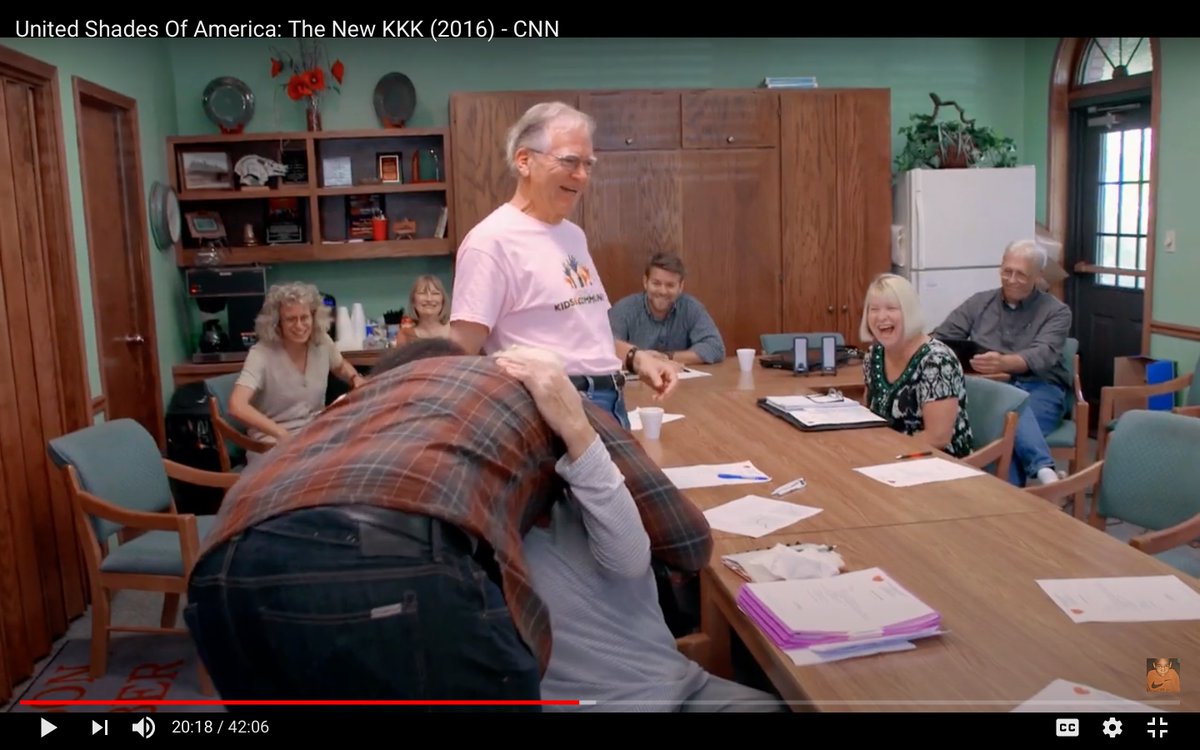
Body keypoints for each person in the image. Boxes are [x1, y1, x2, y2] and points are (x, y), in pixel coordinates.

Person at [183, 337, 712, 704]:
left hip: (219, 568)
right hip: (400, 555)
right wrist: (575, 426)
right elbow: (685, 540)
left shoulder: (349, 423)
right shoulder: (506, 393)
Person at [503, 350, 784, 712]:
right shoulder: (477, 530)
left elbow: (630, 557)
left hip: (677, 687)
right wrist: (576, 424)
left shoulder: (580, 499)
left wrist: (576, 426)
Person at [447, 100, 678, 429]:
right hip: (550, 413)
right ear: (524, 161)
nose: (582, 176)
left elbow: (583, 333)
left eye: (588, 163)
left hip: (610, 400)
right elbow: (460, 354)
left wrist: (636, 358)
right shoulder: (490, 242)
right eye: (570, 161)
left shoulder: (573, 236)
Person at [932, 239, 1069, 486]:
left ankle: (1009, 505)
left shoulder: (1057, 312)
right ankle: (1045, 471)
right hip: (987, 387)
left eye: (1021, 274)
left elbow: (1044, 353)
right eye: (1007, 271)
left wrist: (1004, 363)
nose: (1011, 279)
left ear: (1038, 276)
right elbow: (941, 337)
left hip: (1040, 387)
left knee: (1008, 424)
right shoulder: (979, 302)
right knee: (1006, 424)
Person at [228, 282, 363, 458]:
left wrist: (354, 377)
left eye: (304, 317)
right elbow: (237, 406)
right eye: (291, 319)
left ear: (314, 316)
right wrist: (282, 434)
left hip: (315, 437)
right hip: (272, 445)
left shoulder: (321, 342)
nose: (299, 326)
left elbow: (340, 365)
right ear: (277, 323)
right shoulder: (261, 354)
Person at [860, 273, 973, 458]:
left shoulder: (937, 361)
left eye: (891, 308)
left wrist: (884, 451)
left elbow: (938, 438)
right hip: (887, 457)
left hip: (937, 463)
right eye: (874, 309)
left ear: (909, 311)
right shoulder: (874, 355)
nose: (881, 317)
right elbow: (870, 414)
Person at [608, 251, 726, 367]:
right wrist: (641, 360)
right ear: (645, 282)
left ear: (680, 287)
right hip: (636, 384)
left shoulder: (691, 308)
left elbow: (715, 347)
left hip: (682, 384)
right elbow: (606, 349)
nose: (663, 291)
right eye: (656, 283)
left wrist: (667, 357)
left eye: (670, 285)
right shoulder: (624, 309)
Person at [398, 274, 451, 343]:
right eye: (422, 293)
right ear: (413, 301)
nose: (429, 299)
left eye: (435, 293)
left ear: (443, 301)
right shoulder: (405, 335)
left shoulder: (457, 331)